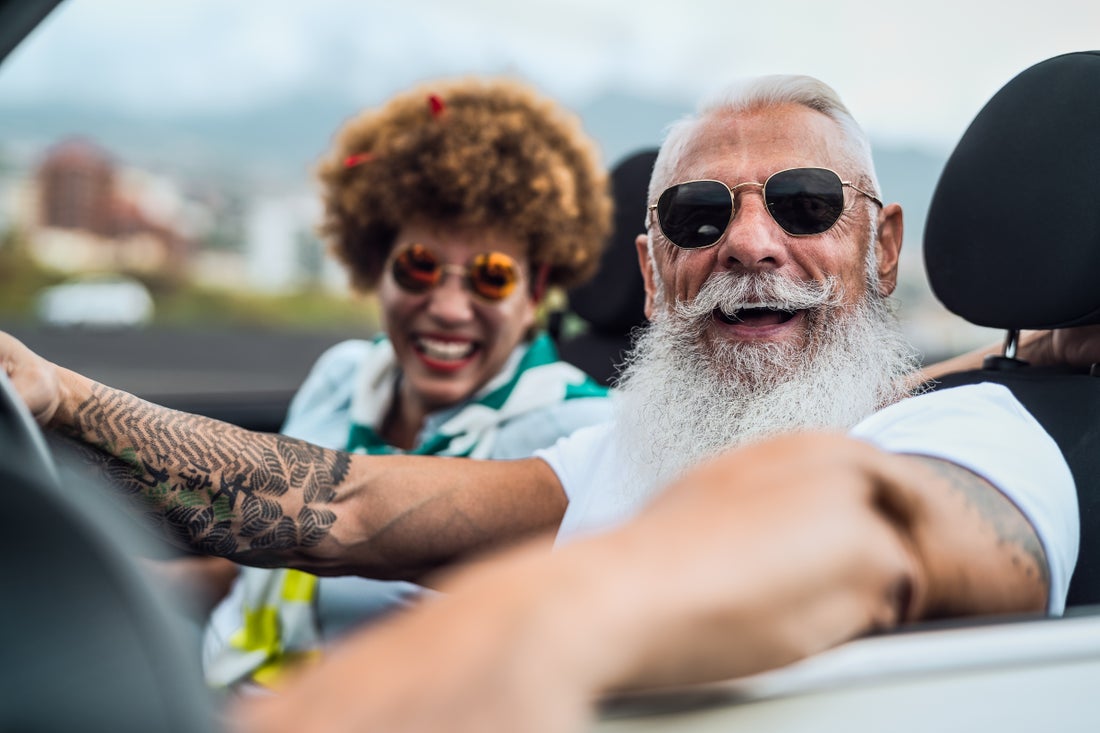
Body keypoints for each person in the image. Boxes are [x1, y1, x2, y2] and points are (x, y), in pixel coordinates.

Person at [1, 73, 1096, 732]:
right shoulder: (615, 444)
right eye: (697, 215)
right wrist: (55, 394)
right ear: (652, 264)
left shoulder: (973, 433)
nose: (750, 244)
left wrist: (522, 632)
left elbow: (874, 522)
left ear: (880, 245)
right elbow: (357, 507)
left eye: (805, 205)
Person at [196, 76, 616, 688]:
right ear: (376, 268)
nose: (448, 307)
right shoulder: (341, 375)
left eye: (491, 276)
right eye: (418, 266)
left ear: (533, 292)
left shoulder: (578, 437)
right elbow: (246, 578)